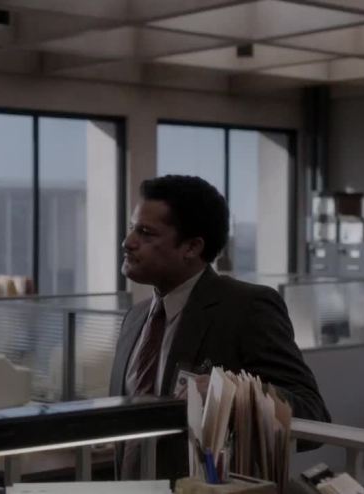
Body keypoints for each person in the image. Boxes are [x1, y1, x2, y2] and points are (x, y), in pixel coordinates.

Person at [110, 174, 329, 480]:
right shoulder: (135, 319)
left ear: (191, 247)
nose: (128, 242)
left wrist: (231, 394)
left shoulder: (247, 308)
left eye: (146, 233)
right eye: (132, 227)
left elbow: (312, 415)